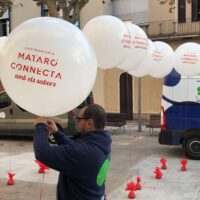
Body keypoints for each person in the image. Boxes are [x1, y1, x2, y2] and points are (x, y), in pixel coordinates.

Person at [33, 104, 112, 200]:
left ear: (89, 123)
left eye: (79, 119)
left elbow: (42, 153)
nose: (76, 121)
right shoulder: (102, 143)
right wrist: (56, 133)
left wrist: (40, 125)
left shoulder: (82, 152)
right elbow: (76, 149)